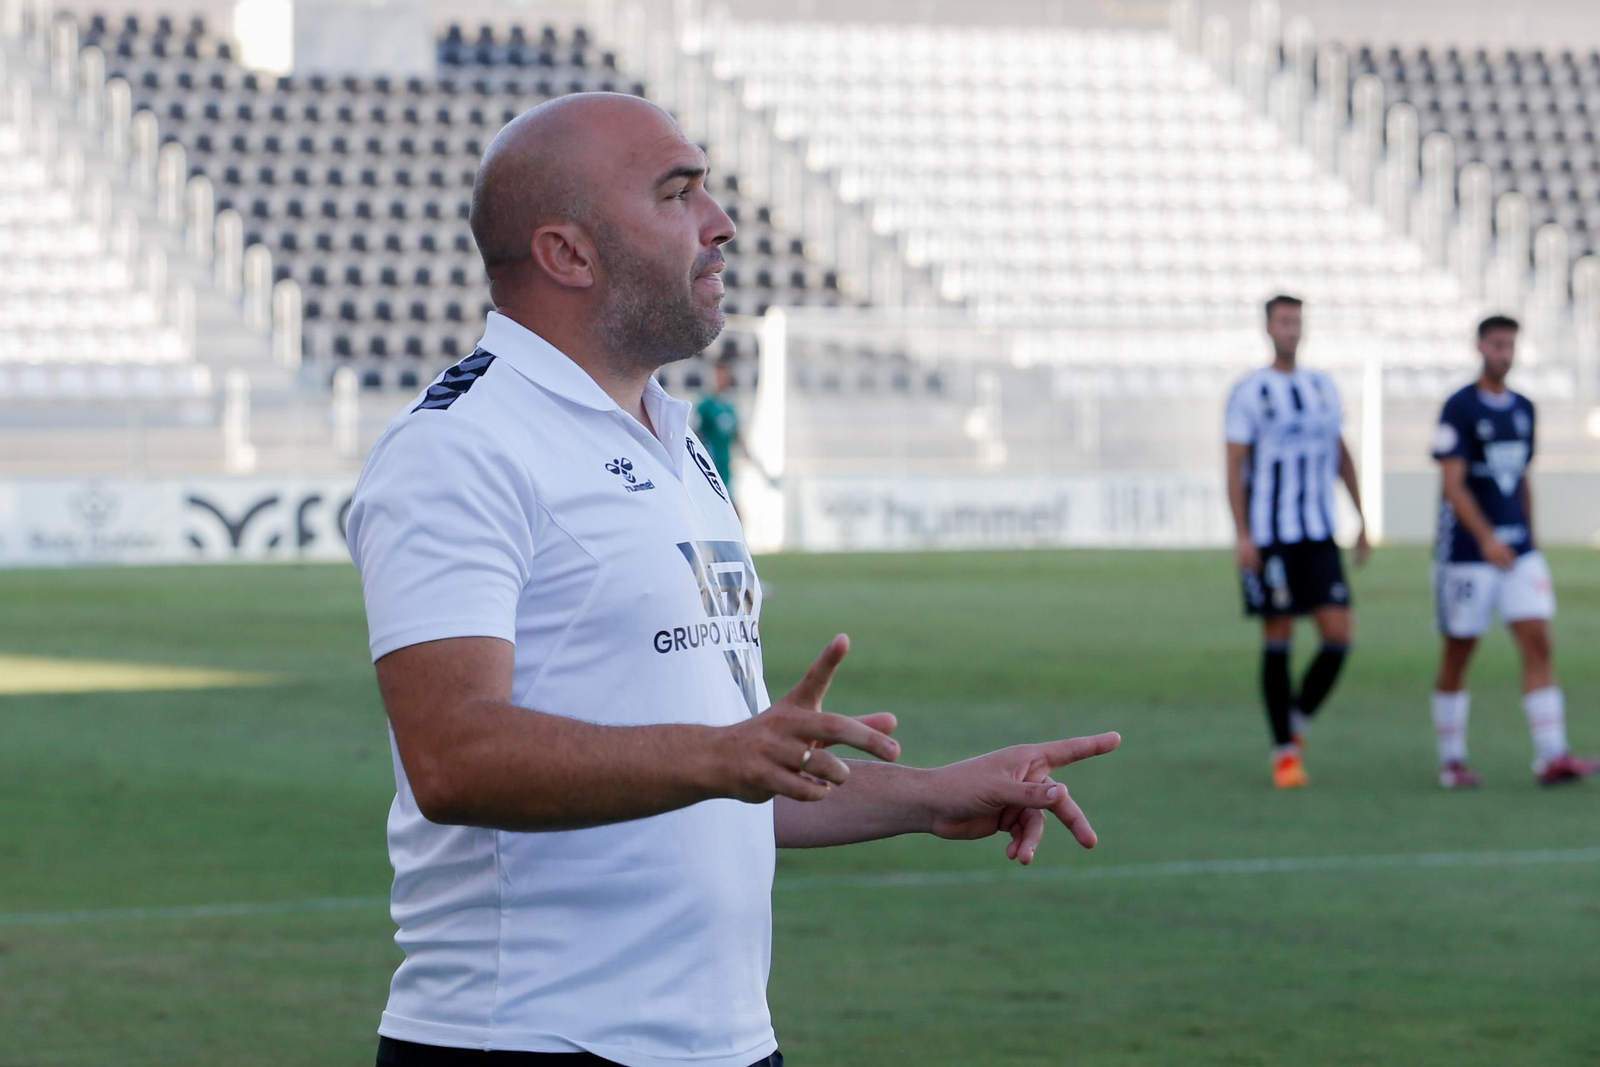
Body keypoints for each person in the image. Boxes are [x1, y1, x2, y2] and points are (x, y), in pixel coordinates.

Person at [346, 92, 1122, 1067]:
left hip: (725, 1043)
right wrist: (724, 752)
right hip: (532, 1038)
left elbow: (730, 767)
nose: (720, 224)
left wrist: (927, 794)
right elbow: (454, 755)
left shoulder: (677, 442)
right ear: (568, 253)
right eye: (677, 195)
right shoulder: (460, 447)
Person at [1428, 315, 1598, 788]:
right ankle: (1452, 759)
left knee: (1539, 640)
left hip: (1518, 550)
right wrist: (1486, 537)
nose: (1505, 353)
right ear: (1480, 347)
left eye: (1511, 345)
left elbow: (1521, 477)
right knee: (1459, 651)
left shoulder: (1524, 408)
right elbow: (1453, 485)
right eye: (1497, 344)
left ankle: (1552, 755)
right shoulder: (1459, 407)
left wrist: (1529, 539)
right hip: (1467, 552)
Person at [1224, 295, 1371, 789]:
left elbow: (1340, 452)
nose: (1291, 328)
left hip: (1318, 533)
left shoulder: (1323, 387)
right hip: (1272, 538)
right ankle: (1285, 752)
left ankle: (1296, 723)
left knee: (1339, 635)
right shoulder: (1249, 391)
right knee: (1279, 635)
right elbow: (1235, 464)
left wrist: (1362, 516)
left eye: (1297, 320)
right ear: (1268, 328)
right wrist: (1243, 534)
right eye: (1283, 320)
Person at [693, 360, 741, 510]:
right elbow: (696, 435)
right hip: (711, 467)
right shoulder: (706, 406)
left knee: (733, 511)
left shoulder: (729, 406)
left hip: (725, 465)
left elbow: (737, 436)